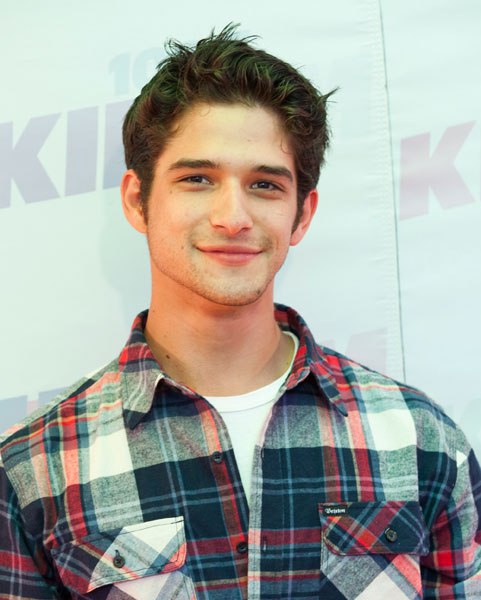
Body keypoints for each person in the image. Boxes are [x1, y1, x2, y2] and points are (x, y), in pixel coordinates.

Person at [0, 24, 480, 600]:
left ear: (302, 215)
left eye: (265, 185)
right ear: (137, 200)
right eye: (197, 179)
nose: (232, 217)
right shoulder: (35, 468)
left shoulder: (421, 440)